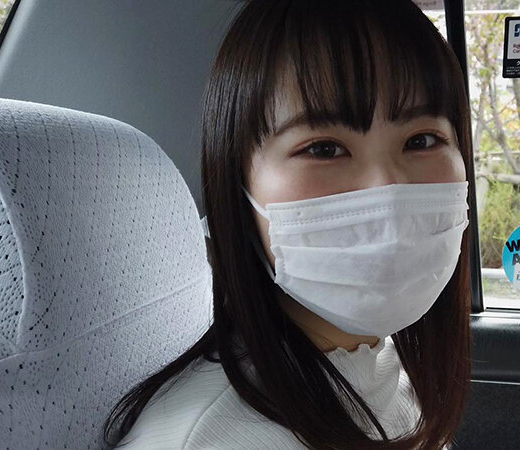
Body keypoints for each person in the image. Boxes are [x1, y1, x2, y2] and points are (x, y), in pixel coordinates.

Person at [103, 1, 472, 449]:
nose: (387, 188)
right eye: (323, 149)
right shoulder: (209, 438)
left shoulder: (383, 365)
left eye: (422, 140)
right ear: (238, 186)